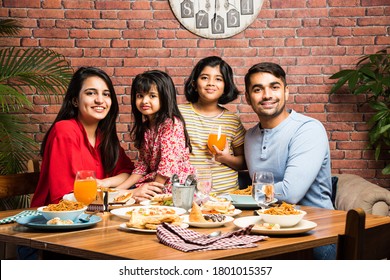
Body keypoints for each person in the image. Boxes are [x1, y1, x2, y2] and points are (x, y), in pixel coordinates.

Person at [244, 62, 336, 259]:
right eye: (258, 89)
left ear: (286, 92)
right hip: (269, 229)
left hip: (317, 234)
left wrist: (244, 195)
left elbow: (291, 192)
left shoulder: (308, 129)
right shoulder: (249, 137)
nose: (267, 95)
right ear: (247, 98)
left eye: (274, 87)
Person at [31, 67, 134, 207]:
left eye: (106, 94)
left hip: (97, 217)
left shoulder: (105, 138)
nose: (100, 100)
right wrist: (124, 194)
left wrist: (104, 183)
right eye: (91, 93)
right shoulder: (65, 131)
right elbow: (67, 198)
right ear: (75, 101)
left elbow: (128, 172)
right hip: (60, 220)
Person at [116, 70, 195, 201]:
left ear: (164, 97)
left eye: (152, 96)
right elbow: (143, 165)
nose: (144, 101)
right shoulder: (147, 127)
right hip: (156, 181)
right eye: (140, 95)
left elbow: (167, 166)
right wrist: (119, 190)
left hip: (175, 184)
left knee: (133, 200)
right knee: (124, 196)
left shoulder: (171, 124)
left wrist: (153, 192)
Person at [179, 56, 246, 194]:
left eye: (218, 79)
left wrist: (226, 158)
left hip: (226, 195)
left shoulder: (232, 120)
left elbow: (245, 162)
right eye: (204, 78)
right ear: (194, 83)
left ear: (226, 86)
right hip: (188, 193)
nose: (211, 83)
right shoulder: (178, 114)